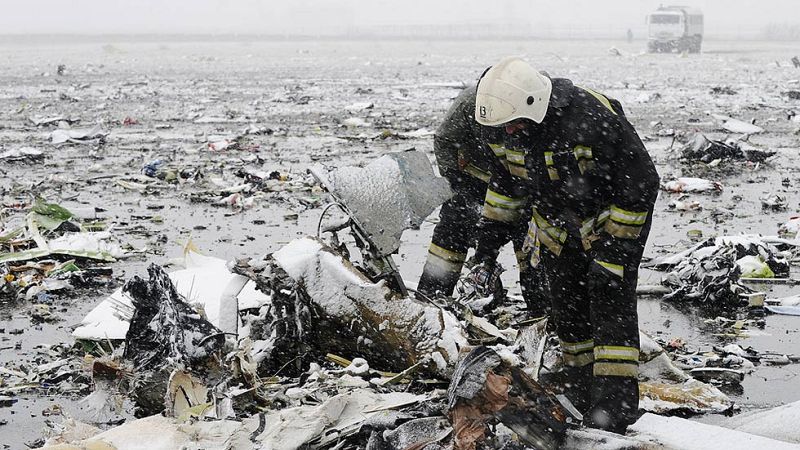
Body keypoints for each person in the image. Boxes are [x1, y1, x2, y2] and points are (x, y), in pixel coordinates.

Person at [470, 56, 660, 433]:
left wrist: (613, 253)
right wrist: (486, 251)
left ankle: (614, 406)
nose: (509, 133)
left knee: (610, 305)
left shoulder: (591, 119)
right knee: (568, 307)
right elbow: (506, 189)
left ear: (533, 106)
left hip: (611, 221)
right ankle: (579, 387)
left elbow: (640, 184)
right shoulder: (501, 128)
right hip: (556, 226)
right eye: (502, 128)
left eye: (513, 125)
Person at [416, 84, 547, 316]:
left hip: (522, 180)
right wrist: (456, 183)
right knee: (453, 228)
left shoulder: (535, 101)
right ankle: (430, 299)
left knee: (529, 238)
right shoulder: (469, 103)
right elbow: (444, 139)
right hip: (474, 177)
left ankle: (541, 309)